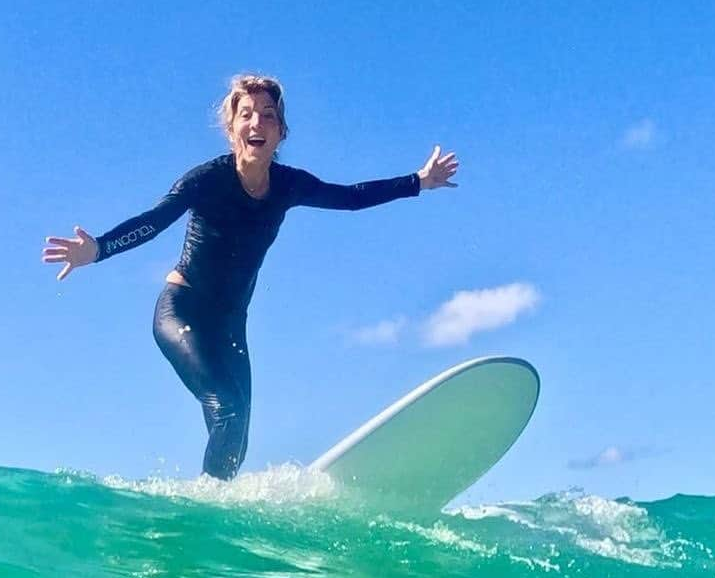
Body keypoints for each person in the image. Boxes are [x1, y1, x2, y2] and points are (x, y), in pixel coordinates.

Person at [42, 74, 458, 480]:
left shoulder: (289, 185)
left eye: (268, 115)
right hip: (182, 309)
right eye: (247, 114)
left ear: (280, 133)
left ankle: (212, 504)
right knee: (227, 408)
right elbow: (154, 220)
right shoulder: (206, 180)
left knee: (237, 432)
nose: (257, 123)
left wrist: (418, 182)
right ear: (232, 128)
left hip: (230, 324)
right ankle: (205, 510)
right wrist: (99, 249)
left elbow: (349, 198)